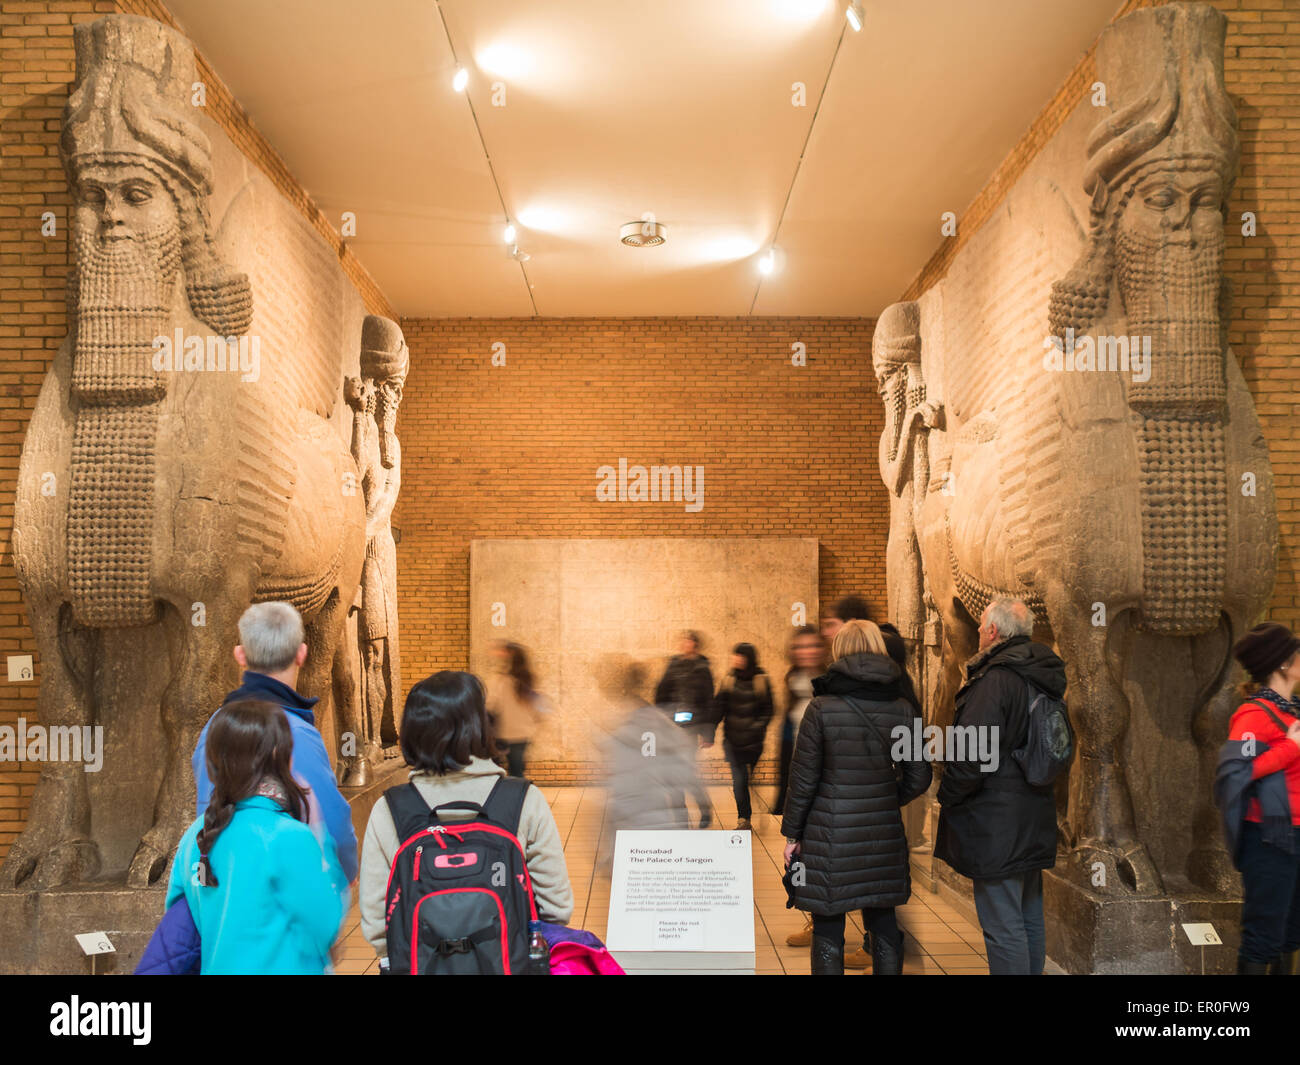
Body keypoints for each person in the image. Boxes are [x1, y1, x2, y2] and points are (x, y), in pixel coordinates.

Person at [360, 671, 573, 963]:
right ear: (480, 726)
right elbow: (557, 907)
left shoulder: (389, 810)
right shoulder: (523, 800)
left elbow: (376, 923)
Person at [781, 620, 931, 975]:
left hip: (829, 834)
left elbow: (803, 778)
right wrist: (885, 798)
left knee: (829, 924)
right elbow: (920, 775)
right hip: (882, 833)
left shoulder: (821, 708)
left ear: (840, 651)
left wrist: (792, 834)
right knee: (882, 922)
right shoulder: (902, 708)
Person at [167, 699, 348, 974]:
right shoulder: (289, 837)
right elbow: (323, 926)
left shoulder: (196, 836)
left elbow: (180, 923)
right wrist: (325, 849)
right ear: (278, 755)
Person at [934, 597, 1065, 975]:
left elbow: (972, 756)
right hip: (1034, 813)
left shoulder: (995, 680)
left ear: (993, 631)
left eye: (979, 626)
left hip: (996, 824)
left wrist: (948, 794)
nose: (976, 631)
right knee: (1027, 917)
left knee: (1003, 926)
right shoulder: (1041, 673)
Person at [193, 602, 358, 883]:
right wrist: (344, 870)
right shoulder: (296, 733)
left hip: (225, 885)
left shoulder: (214, 727)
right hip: (284, 891)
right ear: (301, 654)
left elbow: (204, 806)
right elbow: (332, 821)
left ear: (240, 655)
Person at [1225, 623, 1300, 974]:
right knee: (1264, 935)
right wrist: (1290, 748)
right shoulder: (1254, 715)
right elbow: (1240, 769)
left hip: (1294, 835)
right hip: (1270, 839)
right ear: (1282, 664)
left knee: (1290, 934)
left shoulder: (1292, 711)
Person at [601, 658, 699, 866]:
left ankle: (620, 860)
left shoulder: (622, 720)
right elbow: (678, 755)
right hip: (647, 797)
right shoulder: (653, 718)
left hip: (632, 798)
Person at [707, 643, 774, 831]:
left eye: (740, 656)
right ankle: (743, 819)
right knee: (739, 780)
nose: (736, 659)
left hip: (753, 742)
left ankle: (748, 809)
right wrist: (709, 731)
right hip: (733, 741)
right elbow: (719, 707)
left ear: (749, 659)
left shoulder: (761, 679)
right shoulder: (728, 679)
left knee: (746, 779)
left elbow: (769, 709)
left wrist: (756, 728)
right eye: (735, 655)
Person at [654, 631, 716, 828]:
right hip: (672, 727)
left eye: (688, 640)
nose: (684, 644)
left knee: (687, 773)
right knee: (672, 773)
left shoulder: (703, 668)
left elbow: (708, 701)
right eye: (683, 640)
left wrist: (707, 733)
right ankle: (681, 818)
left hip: (692, 727)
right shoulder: (673, 664)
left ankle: (704, 809)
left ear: (695, 644)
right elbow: (661, 692)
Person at [485, 640, 547, 778]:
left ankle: (502, 797)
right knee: (517, 771)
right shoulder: (528, 680)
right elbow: (540, 708)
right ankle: (519, 796)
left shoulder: (500, 680)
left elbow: (490, 705)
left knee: (496, 772)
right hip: (523, 733)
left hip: (502, 733)